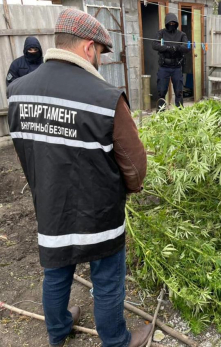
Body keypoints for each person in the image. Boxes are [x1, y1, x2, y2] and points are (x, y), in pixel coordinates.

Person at [7, 9, 150, 347]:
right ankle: (116, 340)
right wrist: (130, 189)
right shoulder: (105, 98)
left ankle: (58, 333)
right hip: (99, 212)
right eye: (100, 52)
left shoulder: (18, 92)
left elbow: (26, 153)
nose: (99, 60)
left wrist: (44, 190)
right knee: (108, 280)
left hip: (51, 208)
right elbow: (134, 162)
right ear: (89, 48)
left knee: (55, 274)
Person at [152, 13, 190, 111]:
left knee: (179, 91)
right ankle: (160, 113)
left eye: (174, 23)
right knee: (161, 91)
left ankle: (180, 112)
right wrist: (168, 48)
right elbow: (154, 45)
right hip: (164, 66)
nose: (172, 24)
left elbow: (187, 47)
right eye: (170, 23)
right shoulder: (161, 33)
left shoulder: (182, 34)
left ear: (176, 23)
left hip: (177, 67)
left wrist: (177, 47)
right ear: (166, 23)